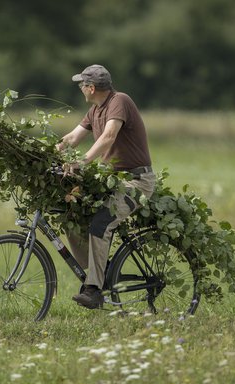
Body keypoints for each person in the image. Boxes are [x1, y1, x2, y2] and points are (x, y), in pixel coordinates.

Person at [57, 64, 156, 309]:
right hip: (112, 183)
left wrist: (83, 161)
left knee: (101, 222)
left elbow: (109, 136)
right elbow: (71, 138)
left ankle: (94, 289)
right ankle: (99, 270)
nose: (81, 88)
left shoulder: (119, 101)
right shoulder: (94, 111)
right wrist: (42, 155)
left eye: (82, 85)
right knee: (71, 214)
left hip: (136, 182)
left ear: (91, 88)